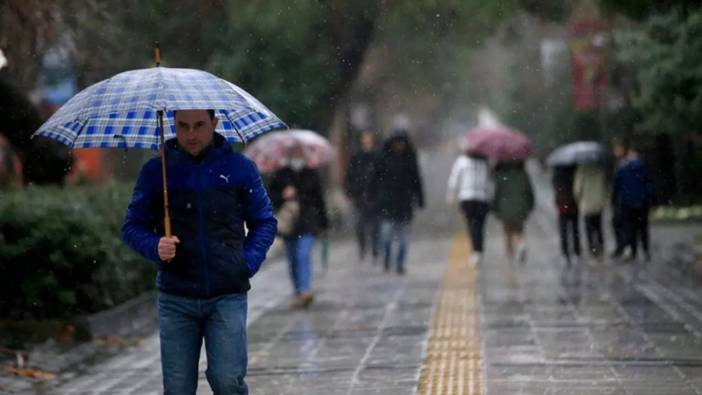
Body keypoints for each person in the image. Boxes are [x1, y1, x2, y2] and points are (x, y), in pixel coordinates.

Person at [122, 110, 277, 394]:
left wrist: (246, 262)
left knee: (227, 380)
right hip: (176, 296)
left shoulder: (240, 168)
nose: (191, 135)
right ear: (172, 125)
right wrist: (155, 246)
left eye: (199, 126)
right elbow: (132, 227)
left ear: (214, 124)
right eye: (182, 126)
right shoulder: (157, 172)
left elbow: (265, 222)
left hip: (227, 294)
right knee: (178, 388)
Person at [269, 147, 329, 308]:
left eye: (299, 153)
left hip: (308, 223)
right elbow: (270, 197)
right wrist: (283, 195)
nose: (297, 156)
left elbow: (319, 199)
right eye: (294, 153)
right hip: (289, 225)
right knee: (293, 259)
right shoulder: (281, 174)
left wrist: (324, 223)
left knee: (303, 255)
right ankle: (298, 291)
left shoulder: (311, 173)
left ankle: (304, 290)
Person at [372, 130, 424, 274]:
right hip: (387, 204)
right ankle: (387, 257)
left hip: (405, 204)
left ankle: (400, 263)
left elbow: (416, 180)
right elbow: (374, 179)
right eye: (397, 143)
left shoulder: (409, 159)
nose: (399, 146)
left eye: (402, 143)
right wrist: (374, 197)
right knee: (386, 234)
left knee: (404, 237)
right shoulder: (382, 158)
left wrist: (419, 199)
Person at [446, 149, 494, 266]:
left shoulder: (462, 161)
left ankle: (476, 251)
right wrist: (491, 196)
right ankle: (478, 251)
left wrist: (451, 194)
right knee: (480, 225)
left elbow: (454, 178)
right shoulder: (485, 162)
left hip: (467, 198)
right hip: (482, 198)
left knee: (471, 224)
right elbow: (491, 181)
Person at [612, 143, 654, 261]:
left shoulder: (623, 169)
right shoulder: (644, 168)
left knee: (631, 229)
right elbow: (649, 185)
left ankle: (634, 252)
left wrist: (615, 202)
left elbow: (617, 187)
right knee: (643, 229)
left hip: (628, 204)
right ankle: (645, 251)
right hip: (642, 203)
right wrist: (649, 199)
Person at [345, 130, 380, 262]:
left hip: (374, 196)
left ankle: (375, 248)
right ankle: (363, 247)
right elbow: (350, 175)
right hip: (359, 196)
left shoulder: (376, 155)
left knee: (375, 225)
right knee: (360, 225)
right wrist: (351, 191)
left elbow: (381, 174)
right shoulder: (356, 156)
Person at [493, 161, 534, 263]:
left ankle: (510, 257)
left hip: (505, 208)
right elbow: (529, 192)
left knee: (508, 233)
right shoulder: (523, 174)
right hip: (521, 206)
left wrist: (495, 209)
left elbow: (496, 194)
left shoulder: (501, 175)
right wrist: (530, 206)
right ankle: (522, 244)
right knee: (520, 230)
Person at [574, 162, 608, 258]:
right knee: (598, 227)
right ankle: (601, 246)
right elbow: (604, 185)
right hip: (598, 203)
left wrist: (579, 200)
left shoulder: (582, 170)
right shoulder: (599, 169)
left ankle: (592, 248)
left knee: (589, 228)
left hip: (587, 204)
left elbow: (577, 189)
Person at [552, 165, 581, 264]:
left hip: (562, 205)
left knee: (563, 230)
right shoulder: (574, 170)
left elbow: (555, 186)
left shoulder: (557, 172)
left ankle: (565, 252)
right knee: (575, 229)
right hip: (573, 203)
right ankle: (577, 251)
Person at [610, 139, 629, 256]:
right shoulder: (618, 164)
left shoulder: (624, 164)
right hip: (619, 200)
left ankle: (623, 246)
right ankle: (621, 246)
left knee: (622, 224)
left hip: (623, 200)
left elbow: (620, 184)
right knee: (618, 223)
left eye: (618, 148)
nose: (615, 151)